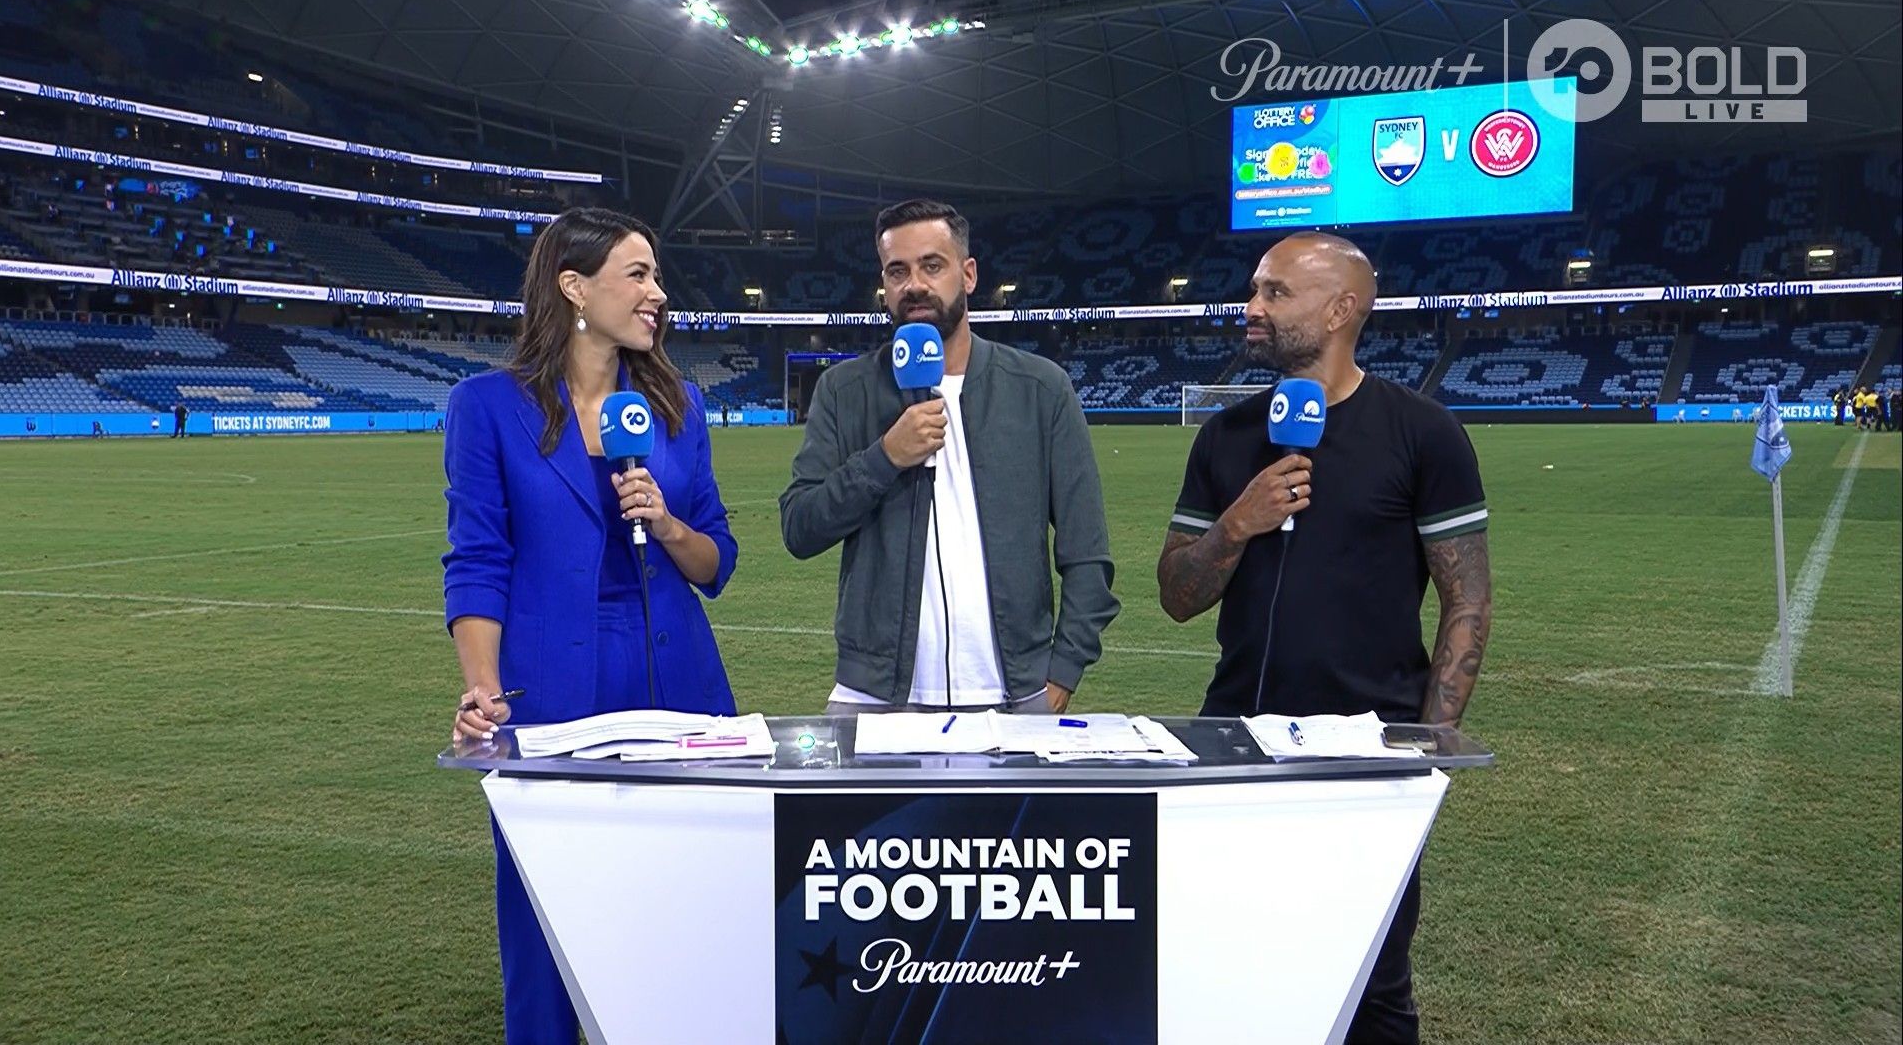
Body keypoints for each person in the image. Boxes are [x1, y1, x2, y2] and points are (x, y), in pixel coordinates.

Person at [1155, 232, 1492, 1045]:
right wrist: (1236, 525)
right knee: (1228, 969)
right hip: (1232, 746)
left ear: (1342, 310)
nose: (1252, 307)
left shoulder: (1422, 432)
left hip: (1369, 757)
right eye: (1254, 289)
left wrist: (1431, 747)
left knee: (1372, 987)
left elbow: (1467, 601)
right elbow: (1177, 596)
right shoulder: (1227, 437)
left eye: (1275, 293)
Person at [442, 206, 739, 1045]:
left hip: (680, 690)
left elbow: (717, 561)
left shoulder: (678, 407)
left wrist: (669, 524)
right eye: (637, 275)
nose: (658, 292)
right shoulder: (486, 407)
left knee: (683, 918)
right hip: (548, 698)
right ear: (574, 287)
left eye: (657, 275)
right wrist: (482, 688)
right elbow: (477, 559)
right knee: (545, 930)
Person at [780, 199, 1119, 716]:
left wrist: (1064, 668)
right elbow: (799, 528)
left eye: (932, 266)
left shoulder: (1040, 388)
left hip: (1016, 693)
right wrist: (885, 457)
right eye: (897, 271)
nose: (914, 285)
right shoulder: (844, 390)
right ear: (884, 283)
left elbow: (1087, 549)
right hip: (872, 695)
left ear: (968, 274)